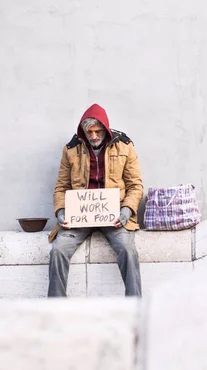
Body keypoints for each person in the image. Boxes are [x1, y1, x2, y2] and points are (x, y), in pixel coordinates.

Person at [47, 103, 143, 297]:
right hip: (79, 217)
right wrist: (61, 212)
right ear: (83, 132)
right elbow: (61, 187)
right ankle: (55, 308)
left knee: (128, 250)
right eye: (89, 132)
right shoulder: (71, 150)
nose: (94, 136)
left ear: (106, 129)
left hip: (114, 215)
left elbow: (135, 186)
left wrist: (126, 212)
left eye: (98, 131)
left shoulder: (125, 146)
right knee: (58, 250)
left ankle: (135, 306)